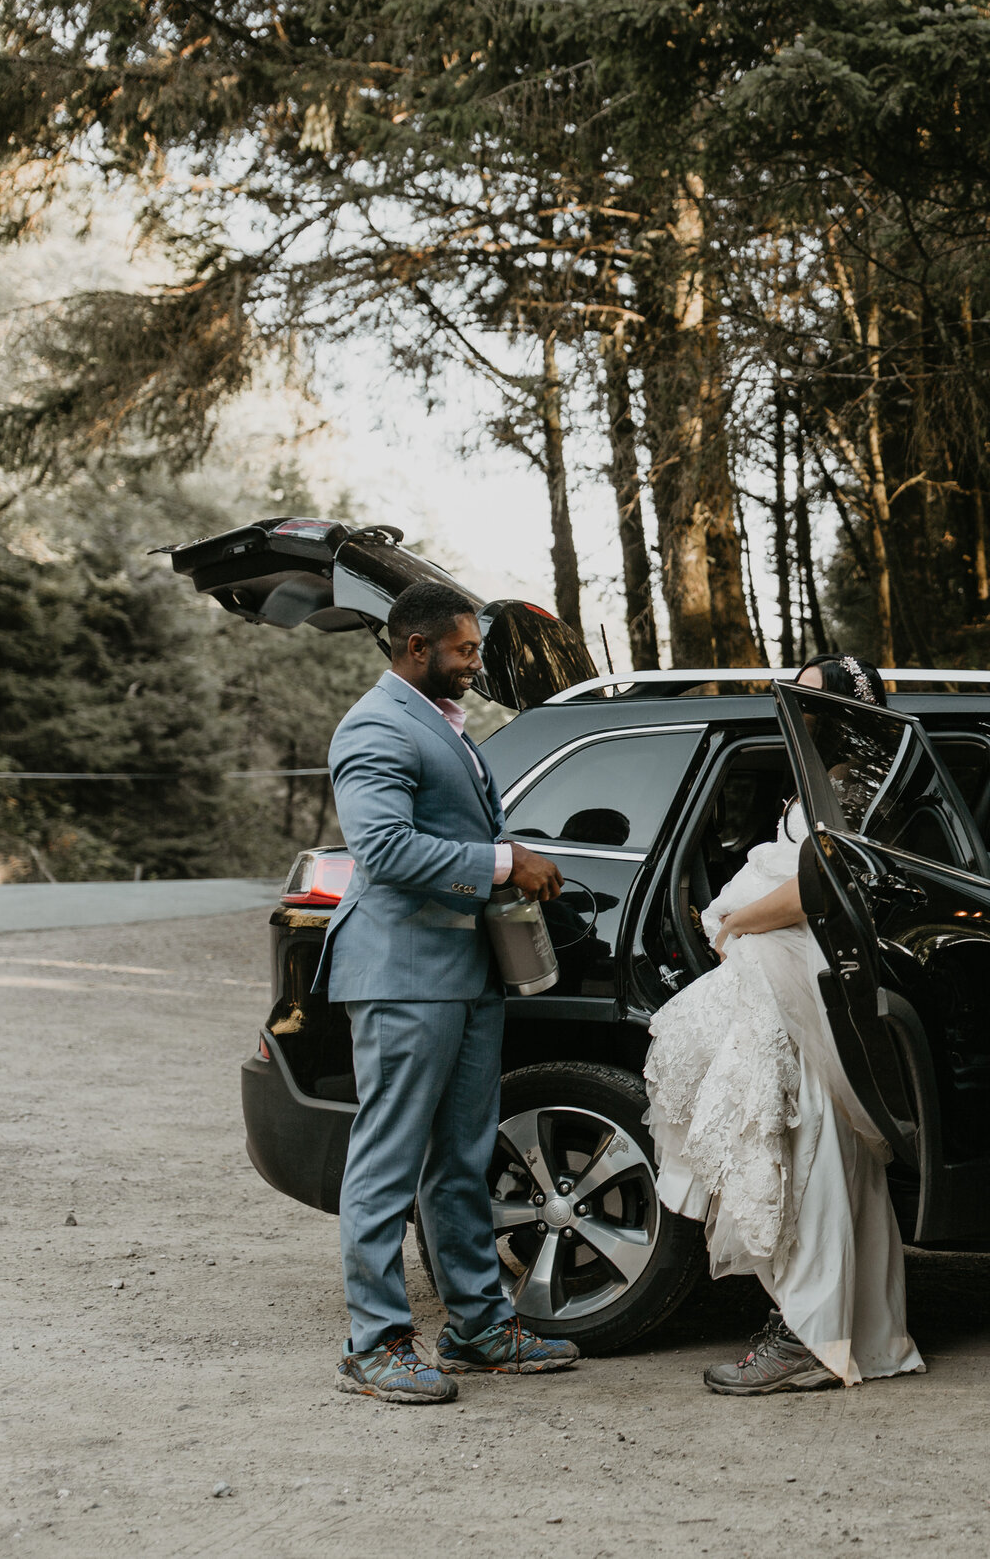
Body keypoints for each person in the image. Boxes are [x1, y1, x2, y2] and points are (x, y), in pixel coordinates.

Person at [321, 580, 579, 1403]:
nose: (475, 663)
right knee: (387, 1158)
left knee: (461, 1158)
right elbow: (386, 848)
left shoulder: (445, 728)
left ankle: (475, 1326)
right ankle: (376, 1343)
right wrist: (507, 862)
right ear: (416, 646)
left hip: (466, 972)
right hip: (401, 973)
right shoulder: (373, 726)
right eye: (465, 649)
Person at [642, 654, 926, 1394]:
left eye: (804, 700)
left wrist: (734, 920)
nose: (791, 711)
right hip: (792, 976)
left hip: (805, 975)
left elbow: (817, 884)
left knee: (812, 1147)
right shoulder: (839, 779)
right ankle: (843, 1332)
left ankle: (812, 1334)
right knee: (812, 1143)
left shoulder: (852, 786)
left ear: (840, 714)